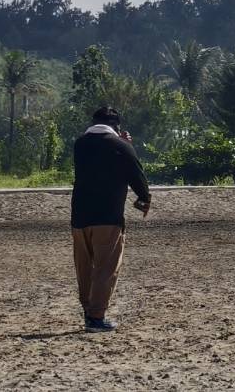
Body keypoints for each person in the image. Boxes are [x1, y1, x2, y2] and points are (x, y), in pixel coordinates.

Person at [71, 106, 151, 332]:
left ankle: (88, 311)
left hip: (79, 217)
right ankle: (96, 318)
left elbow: (100, 155)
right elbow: (135, 173)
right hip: (107, 216)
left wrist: (122, 144)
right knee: (105, 268)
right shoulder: (121, 146)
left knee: (84, 267)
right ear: (117, 126)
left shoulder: (80, 145)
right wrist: (144, 199)